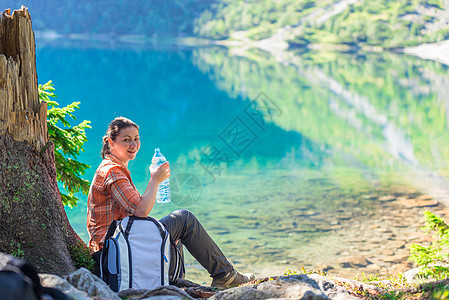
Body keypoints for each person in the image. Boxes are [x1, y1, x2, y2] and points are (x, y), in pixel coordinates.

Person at [86, 117, 254, 288]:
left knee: (172, 235)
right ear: (111, 142)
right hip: (114, 252)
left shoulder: (114, 168)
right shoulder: (112, 171)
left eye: (136, 138)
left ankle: (172, 284)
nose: (133, 145)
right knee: (184, 219)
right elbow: (141, 211)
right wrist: (154, 180)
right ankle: (225, 275)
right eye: (126, 140)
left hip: (118, 247)